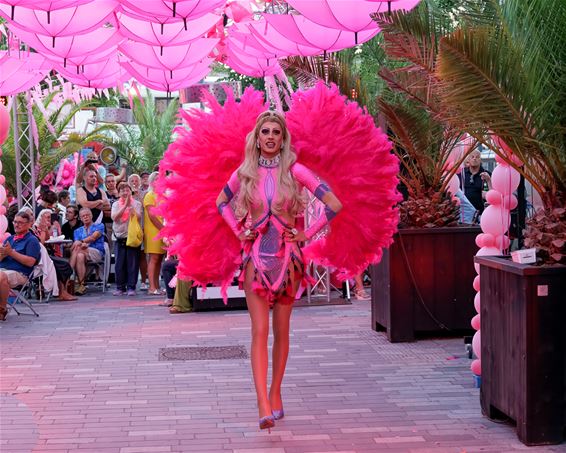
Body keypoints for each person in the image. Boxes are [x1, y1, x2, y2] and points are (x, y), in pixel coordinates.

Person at [215, 111, 342, 431]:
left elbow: (334, 204)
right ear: (256, 139)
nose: (270, 137)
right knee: (259, 331)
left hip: (289, 263)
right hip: (255, 261)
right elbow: (221, 203)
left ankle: (275, 392)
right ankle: (262, 402)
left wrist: (307, 234)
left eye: (276, 132)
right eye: (265, 132)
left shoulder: (296, 171)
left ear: (283, 139)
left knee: (282, 331)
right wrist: (238, 231)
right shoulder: (244, 173)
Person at [0, 210, 41, 320]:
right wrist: (2, 254)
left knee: (1, 276)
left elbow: (31, 262)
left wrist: (11, 253)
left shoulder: (32, 240)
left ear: (28, 224)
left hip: (21, 273)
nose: (16, 225)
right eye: (15, 222)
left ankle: (2, 309)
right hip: (3, 269)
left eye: (20, 223)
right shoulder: (9, 239)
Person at [32, 209, 76, 301]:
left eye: (50, 217)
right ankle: (61, 292)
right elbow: (41, 244)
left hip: (47, 255)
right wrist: (44, 230)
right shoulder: (34, 228)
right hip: (40, 259)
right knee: (62, 265)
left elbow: (49, 238)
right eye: (47, 217)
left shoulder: (47, 227)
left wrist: (47, 229)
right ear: (41, 217)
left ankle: (63, 291)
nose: (49, 219)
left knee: (64, 263)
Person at [111, 182, 142, 296]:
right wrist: (124, 206)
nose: (125, 192)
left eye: (127, 190)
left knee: (132, 263)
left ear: (130, 192)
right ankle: (120, 287)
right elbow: (114, 217)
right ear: (119, 193)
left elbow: (139, 217)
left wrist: (131, 207)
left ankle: (131, 287)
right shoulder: (115, 205)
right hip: (119, 237)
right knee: (119, 264)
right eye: (122, 190)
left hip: (132, 237)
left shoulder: (137, 203)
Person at [70, 208, 105, 296]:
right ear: (80, 218)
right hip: (82, 252)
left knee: (78, 250)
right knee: (80, 256)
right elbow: (77, 245)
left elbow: (93, 237)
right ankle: (82, 284)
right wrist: (82, 245)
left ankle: (69, 274)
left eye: (87, 215)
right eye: (83, 216)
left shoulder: (99, 225)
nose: (85, 217)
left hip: (96, 251)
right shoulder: (77, 231)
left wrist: (82, 242)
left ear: (91, 216)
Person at [143, 172, 165, 295]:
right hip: (153, 230)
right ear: (151, 182)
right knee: (154, 258)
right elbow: (152, 216)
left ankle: (156, 285)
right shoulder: (149, 195)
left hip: (162, 229)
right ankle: (151, 287)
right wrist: (163, 229)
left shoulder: (162, 196)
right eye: (156, 179)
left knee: (159, 258)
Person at [460, 149, 492, 215]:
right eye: (472, 157)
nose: (475, 159)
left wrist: (489, 180)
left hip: (482, 213)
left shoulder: (487, 175)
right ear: (468, 159)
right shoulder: (461, 174)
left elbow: (494, 194)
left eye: (477, 157)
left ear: (480, 160)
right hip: (463, 214)